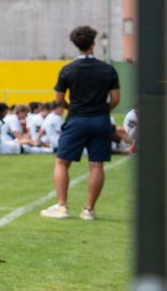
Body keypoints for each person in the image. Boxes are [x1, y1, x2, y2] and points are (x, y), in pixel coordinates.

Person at [40, 25, 119, 221]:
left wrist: (72, 109)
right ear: (94, 43)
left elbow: (59, 100)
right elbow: (115, 99)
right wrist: (102, 111)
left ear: (75, 45)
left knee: (62, 162)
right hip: (100, 120)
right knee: (97, 165)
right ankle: (88, 210)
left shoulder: (67, 70)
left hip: (77, 119)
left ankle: (62, 206)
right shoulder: (108, 69)